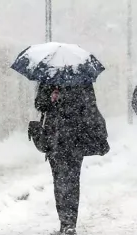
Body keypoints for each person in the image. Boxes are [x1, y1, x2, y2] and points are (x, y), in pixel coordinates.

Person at [35, 83, 109, 235]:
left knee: (72, 181)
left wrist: (69, 101)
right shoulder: (47, 81)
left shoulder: (82, 81)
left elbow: (90, 106)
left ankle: (70, 223)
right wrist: (50, 98)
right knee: (59, 181)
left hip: (76, 139)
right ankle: (65, 222)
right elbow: (39, 104)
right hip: (54, 140)